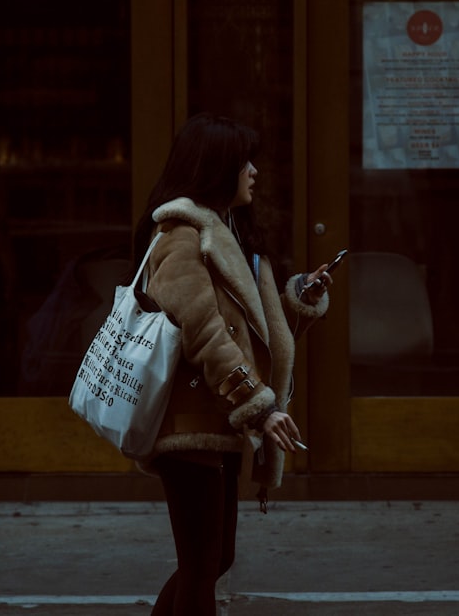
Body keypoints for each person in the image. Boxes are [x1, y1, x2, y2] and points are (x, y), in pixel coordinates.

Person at [134, 113, 333, 615]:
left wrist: (298, 299)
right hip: (190, 424)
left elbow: (248, 333)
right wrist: (258, 404)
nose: (253, 171)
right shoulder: (181, 236)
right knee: (203, 564)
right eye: (244, 161)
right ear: (216, 166)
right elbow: (205, 332)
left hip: (217, 418)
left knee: (215, 559)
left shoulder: (230, 232)